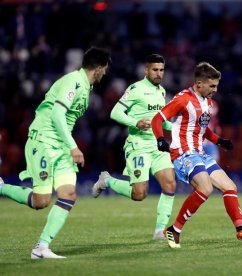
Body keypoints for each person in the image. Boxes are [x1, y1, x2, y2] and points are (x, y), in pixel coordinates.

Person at [0, 46, 111, 258]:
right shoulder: (74, 81)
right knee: (41, 201)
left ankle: (41, 247)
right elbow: (57, 116)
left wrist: (67, 145)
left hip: (60, 144)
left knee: (68, 194)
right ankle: (2, 188)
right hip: (43, 140)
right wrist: (74, 146)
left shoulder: (86, 87)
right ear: (98, 68)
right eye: (104, 69)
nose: (105, 73)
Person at [151, 62, 242, 249]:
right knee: (205, 188)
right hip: (183, 153)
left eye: (216, 86)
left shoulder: (208, 102)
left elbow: (201, 129)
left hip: (200, 153)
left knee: (230, 186)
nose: (215, 89)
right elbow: (158, 118)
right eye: (211, 86)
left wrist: (219, 141)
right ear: (198, 84)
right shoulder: (183, 99)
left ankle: (241, 228)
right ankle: (175, 229)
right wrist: (160, 139)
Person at [91, 54, 176, 240]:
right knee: (139, 194)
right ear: (146, 70)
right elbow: (115, 112)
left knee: (170, 184)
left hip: (157, 145)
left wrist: (175, 127)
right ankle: (107, 181)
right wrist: (135, 122)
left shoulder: (162, 91)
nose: (159, 73)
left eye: (161, 70)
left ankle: (160, 231)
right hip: (138, 146)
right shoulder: (135, 89)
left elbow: (159, 121)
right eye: (155, 70)